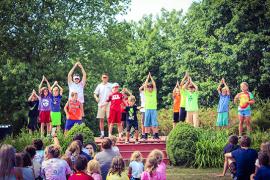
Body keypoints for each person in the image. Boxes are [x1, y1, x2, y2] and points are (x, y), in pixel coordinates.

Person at [94, 73, 112, 138]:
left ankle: (110, 134)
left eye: (106, 77)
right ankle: (102, 134)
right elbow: (95, 93)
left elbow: (114, 92)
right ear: (101, 78)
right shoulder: (99, 85)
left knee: (109, 119)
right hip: (101, 104)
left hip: (109, 104)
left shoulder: (110, 85)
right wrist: (96, 97)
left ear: (108, 78)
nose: (104, 78)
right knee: (101, 119)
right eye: (103, 77)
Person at [144, 72, 159, 140]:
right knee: (146, 123)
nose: (150, 88)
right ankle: (145, 135)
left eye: (151, 87)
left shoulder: (154, 92)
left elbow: (155, 85)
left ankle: (155, 135)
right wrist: (147, 78)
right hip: (147, 109)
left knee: (154, 123)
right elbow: (145, 85)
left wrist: (151, 78)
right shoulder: (146, 92)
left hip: (153, 109)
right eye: (149, 87)